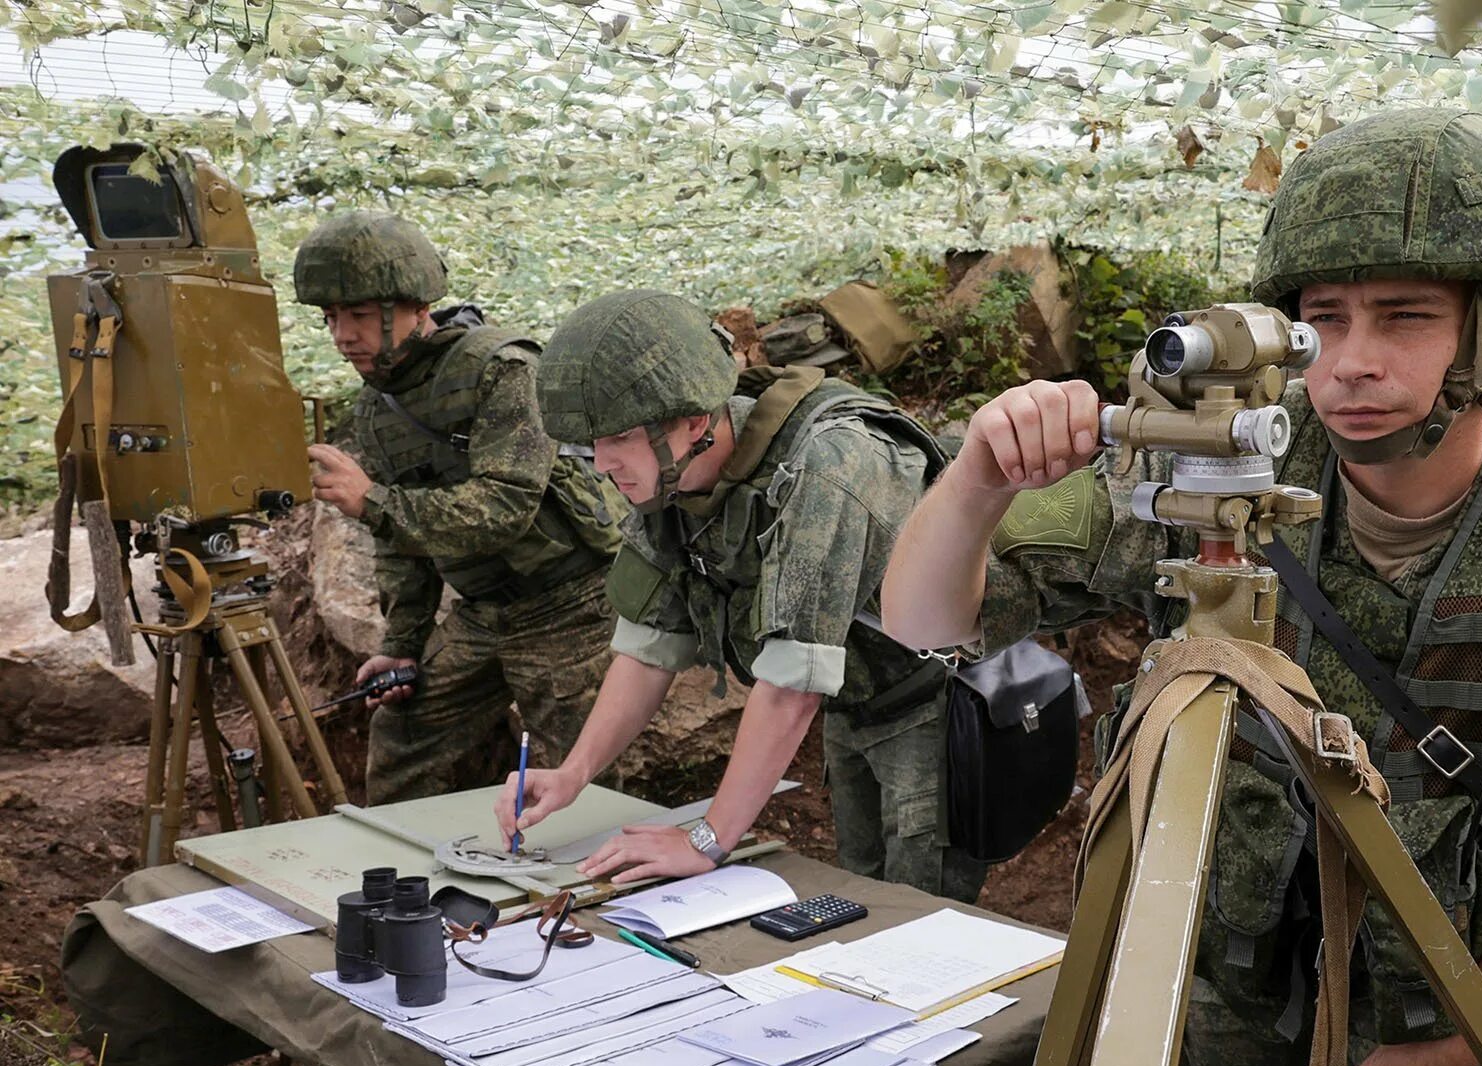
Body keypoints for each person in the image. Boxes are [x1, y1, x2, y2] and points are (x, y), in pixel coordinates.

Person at [880, 107, 1482, 1066]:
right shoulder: (1223, 471)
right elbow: (922, 625)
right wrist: (977, 474)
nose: (1354, 361)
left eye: (1405, 319)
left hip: (1455, 998)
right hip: (1239, 962)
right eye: (1324, 322)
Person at [492, 289, 986, 903]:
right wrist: (575, 773)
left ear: (694, 422)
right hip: (852, 705)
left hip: (934, 706)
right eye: (591, 444)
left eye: (616, 438)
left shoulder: (827, 465)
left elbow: (792, 686)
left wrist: (707, 839)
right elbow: (649, 648)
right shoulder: (670, 477)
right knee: (862, 889)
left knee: (918, 913)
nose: (600, 463)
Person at [294, 211, 632, 804]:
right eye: (331, 319)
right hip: (482, 614)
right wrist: (400, 643)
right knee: (403, 732)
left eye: (361, 317)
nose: (343, 335)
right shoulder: (378, 408)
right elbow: (402, 543)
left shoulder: (502, 368)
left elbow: (506, 504)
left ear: (416, 309)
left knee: (587, 781)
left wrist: (372, 500)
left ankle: (601, 890)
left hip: (571, 605)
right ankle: (398, 882)